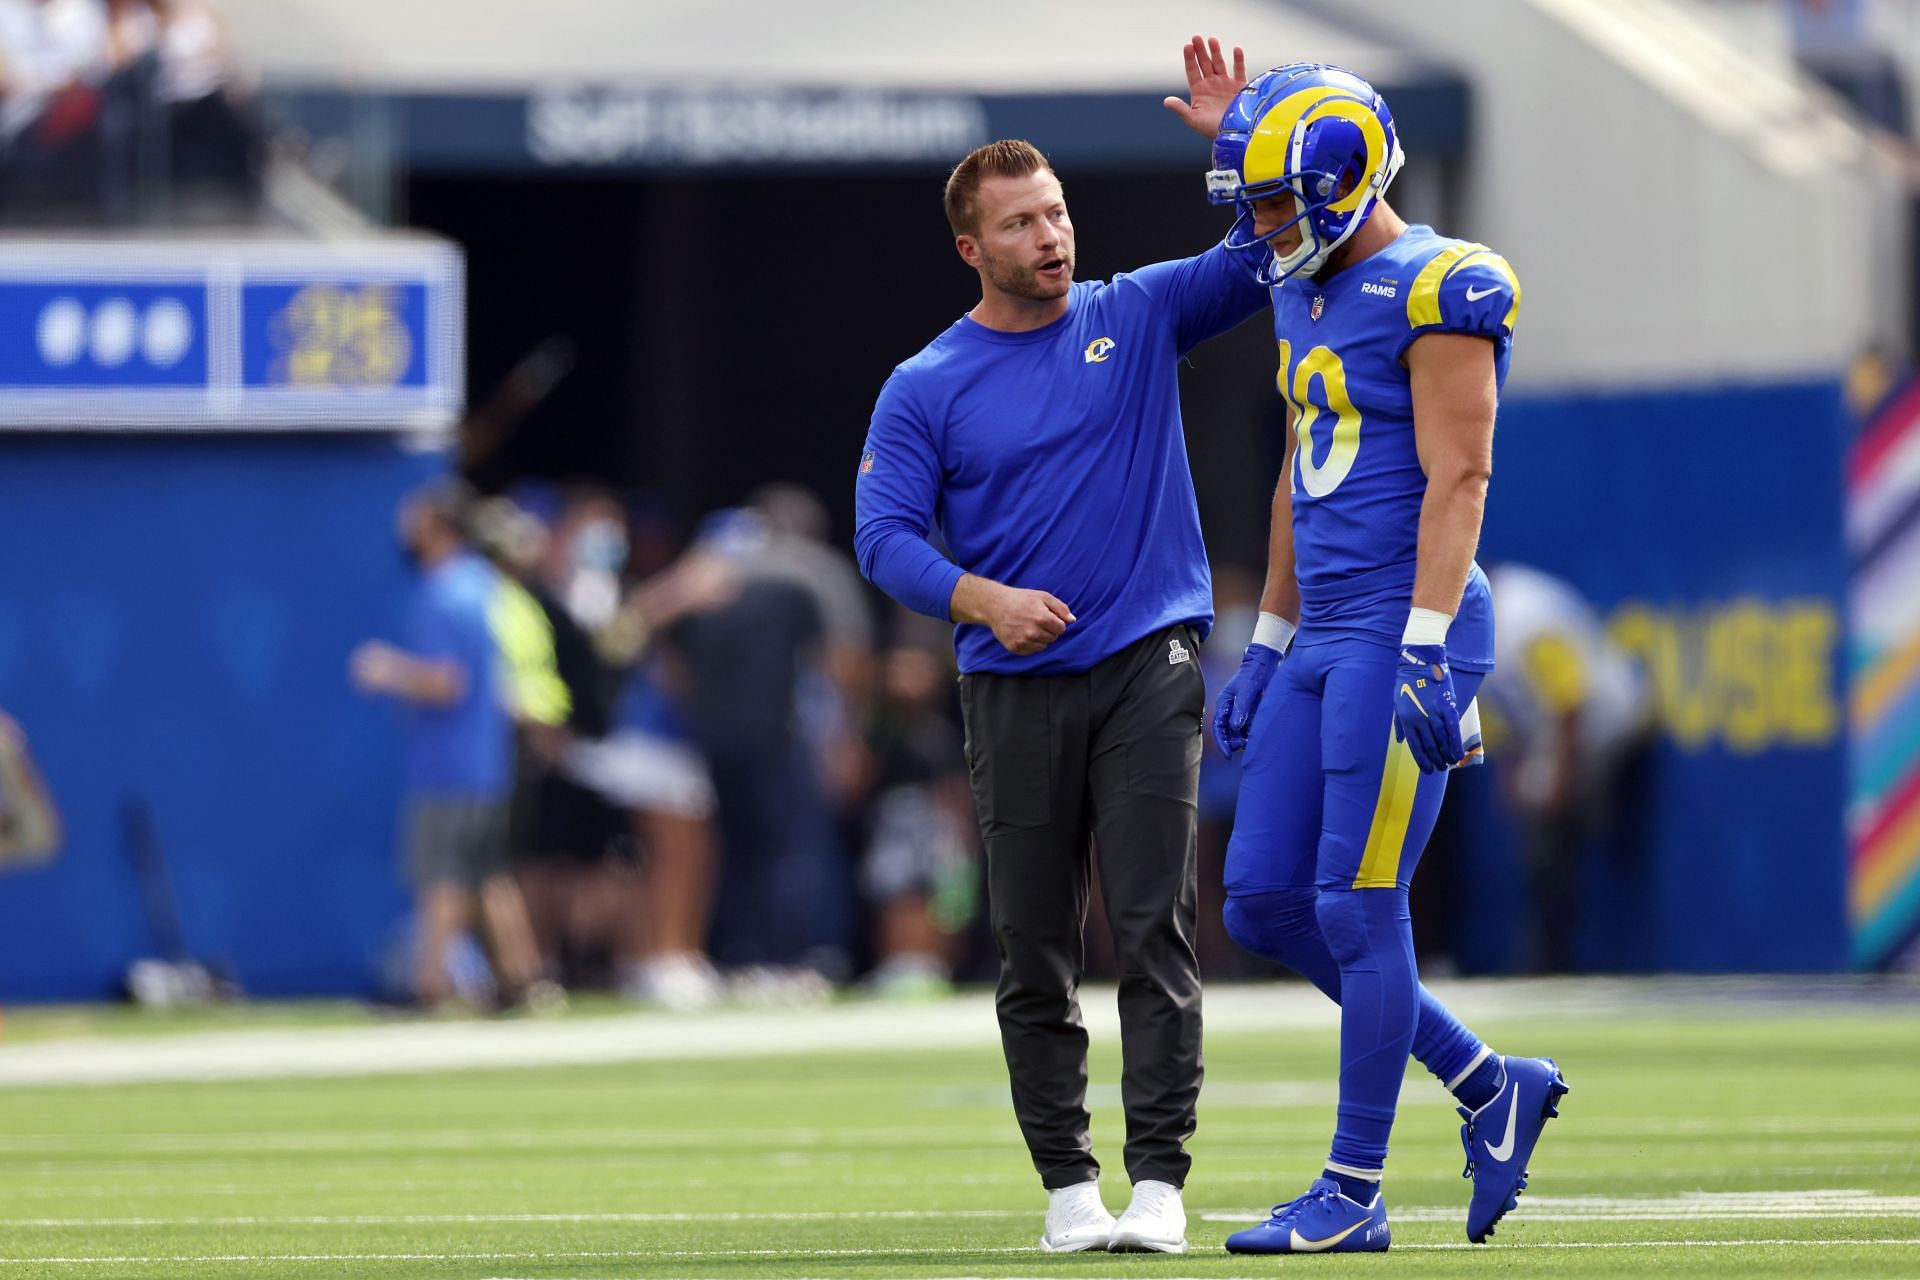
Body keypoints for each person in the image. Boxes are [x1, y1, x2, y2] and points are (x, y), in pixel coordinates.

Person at [1164, 48, 1568, 1252]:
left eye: (1280, 200)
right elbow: (1305, 462)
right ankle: (1492, 1083)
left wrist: (1431, 646)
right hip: (1325, 626)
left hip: (1406, 623)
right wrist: (1272, 637)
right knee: (1265, 902)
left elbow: (1461, 476)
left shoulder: (1445, 281)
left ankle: (1354, 1187)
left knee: (1357, 901)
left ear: (1344, 182)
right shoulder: (1306, 279)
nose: (1262, 226)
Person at [854, 137, 1269, 1254]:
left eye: (1056, 213)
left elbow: (1254, 257)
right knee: (1032, 940)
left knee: (1153, 922)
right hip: (1011, 687)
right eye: (1020, 224)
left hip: (1148, 663)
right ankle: (1069, 1186)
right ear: (970, 247)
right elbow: (882, 537)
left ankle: (1162, 1181)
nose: (1050, 237)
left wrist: (1240, 151)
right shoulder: (925, 384)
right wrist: (980, 598)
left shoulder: (1131, 314)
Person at [349, 479, 557, 1013]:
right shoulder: (481, 584)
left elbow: (448, 682)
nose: (404, 528)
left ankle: (428, 987)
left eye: (413, 517)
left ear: (435, 525)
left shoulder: (443, 591)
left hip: (450, 762)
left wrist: (388, 670)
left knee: (441, 875)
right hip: (483, 759)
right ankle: (523, 979)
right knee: (487, 874)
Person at [1480, 562, 1653, 972]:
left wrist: (1558, 779)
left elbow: (1569, 703)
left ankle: (1549, 960)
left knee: (1553, 834)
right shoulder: (1470, 627)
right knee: (1543, 826)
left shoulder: (1520, 619)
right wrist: (1513, 772)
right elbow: (1512, 713)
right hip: (1552, 729)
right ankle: (1546, 950)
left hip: (1607, 719)